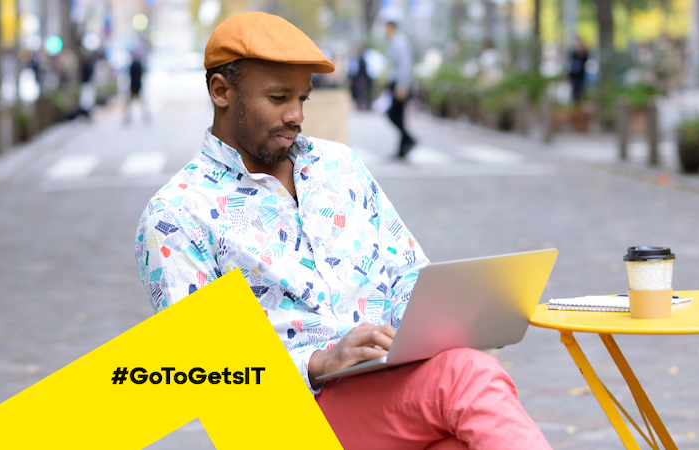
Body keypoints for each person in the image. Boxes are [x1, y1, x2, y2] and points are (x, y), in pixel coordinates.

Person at [135, 12, 551, 449]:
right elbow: (205, 371)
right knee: (466, 374)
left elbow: (408, 272)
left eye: (303, 98)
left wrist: (442, 327)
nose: (296, 115)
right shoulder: (177, 212)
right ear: (221, 91)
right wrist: (319, 362)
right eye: (278, 98)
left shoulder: (340, 166)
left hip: (387, 387)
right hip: (292, 421)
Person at [384, 19, 416, 159]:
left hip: (400, 84)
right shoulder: (395, 42)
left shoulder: (400, 42)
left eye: (387, 28)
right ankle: (402, 149)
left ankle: (408, 139)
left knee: (393, 114)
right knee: (399, 116)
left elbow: (405, 64)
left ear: (392, 28)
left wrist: (402, 85)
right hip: (397, 83)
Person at [124, 51, 151, 124]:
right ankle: (146, 116)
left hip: (133, 85)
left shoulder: (133, 64)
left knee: (131, 103)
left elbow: (129, 74)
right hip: (138, 85)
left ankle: (128, 118)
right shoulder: (139, 64)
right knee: (141, 103)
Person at [568, 36, 588, 106]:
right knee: (574, 92)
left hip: (580, 76)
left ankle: (579, 104)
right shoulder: (573, 53)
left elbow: (584, 60)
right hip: (574, 76)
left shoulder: (583, 53)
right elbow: (571, 65)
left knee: (580, 91)